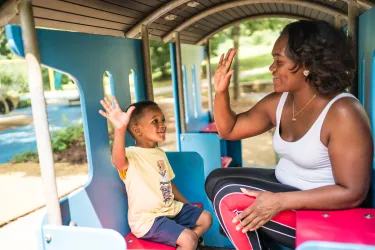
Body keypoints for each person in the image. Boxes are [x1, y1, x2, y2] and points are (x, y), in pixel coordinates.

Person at [205, 20, 373, 250]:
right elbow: (229, 130)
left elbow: (353, 193)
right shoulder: (281, 103)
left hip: (326, 212)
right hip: (285, 189)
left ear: (307, 65)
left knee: (227, 195)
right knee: (216, 179)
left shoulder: (343, 112)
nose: (271, 68)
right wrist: (220, 91)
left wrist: (280, 201)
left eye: (279, 61)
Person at [99, 98, 212, 250]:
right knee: (189, 239)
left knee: (206, 218)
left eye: (162, 120)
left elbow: (168, 182)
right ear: (137, 130)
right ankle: (187, 242)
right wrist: (119, 129)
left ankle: (185, 242)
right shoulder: (131, 154)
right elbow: (118, 161)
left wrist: (186, 203)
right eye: (155, 121)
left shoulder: (160, 154)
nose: (162, 125)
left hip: (170, 210)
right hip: (148, 220)